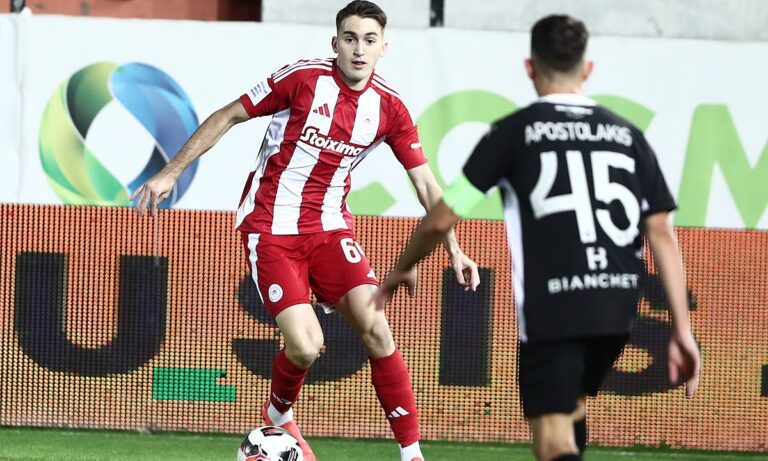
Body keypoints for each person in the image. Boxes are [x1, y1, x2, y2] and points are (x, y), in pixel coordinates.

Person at [131, 1, 480, 460]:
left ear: (384, 48)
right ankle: (278, 414)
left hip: (330, 230)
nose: (359, 50)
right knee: (307, 345)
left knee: (378, 329)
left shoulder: (390, 108)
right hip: (271, 228)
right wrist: (171, 171)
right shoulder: (303, 78)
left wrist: (455, 248)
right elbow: (228, 114)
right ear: (335, 43)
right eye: (350, 39)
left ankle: (412, 454)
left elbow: (427, 185)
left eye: (369, 41)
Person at [375, 14, 701, 461]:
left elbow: (440, 218)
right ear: (587, 69)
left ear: (529, 67)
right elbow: (661, 230)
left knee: (550, 440)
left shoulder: (513, 133)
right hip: (618, 306)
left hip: (556, 305)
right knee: (571, 409)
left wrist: (403, 267)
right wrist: (682, 330)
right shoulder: (628, 136)